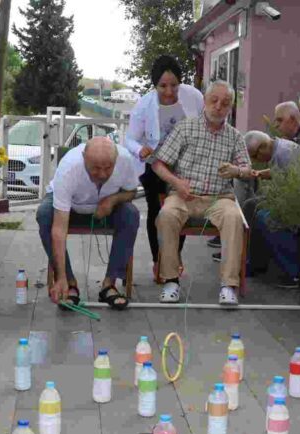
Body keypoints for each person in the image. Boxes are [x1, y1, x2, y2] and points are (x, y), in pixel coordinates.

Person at [152, 80, 251, 305]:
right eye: (214, 101)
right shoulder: (186, 128)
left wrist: (236, 170)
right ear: (204, 102)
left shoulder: (235, 136)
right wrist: (176, 182)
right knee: (166, 215)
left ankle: (228, 286)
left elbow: (247, 169)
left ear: (231, 107)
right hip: (184, 195)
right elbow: (159, 164)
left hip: (218, 198)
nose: (218, 107)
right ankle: (171, 281)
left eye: (225, 103)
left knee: (234, 217)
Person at [124, 55, 204, 284]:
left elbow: (203, 127)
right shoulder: (144, 105)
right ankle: (159, 260)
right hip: (155, 164)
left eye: (174, 85)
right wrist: (140, 150)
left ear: (181, 82)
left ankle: (174, 257)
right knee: (156, 210)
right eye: (163, 86)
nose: (169, 91)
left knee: (179, 210)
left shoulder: (194, 97)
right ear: (154, 85)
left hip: (185, 165)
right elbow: (130, 138)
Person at [36, 137, 140, 311]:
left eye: (108, 168)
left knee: (131, 214)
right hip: (73, 208)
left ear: (115, 159)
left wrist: (113, 200)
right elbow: (59, 228)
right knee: (44, 214)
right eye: (96, 169)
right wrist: (59, 276)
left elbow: (131, 191)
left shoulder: (125, 159)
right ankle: (68, 283)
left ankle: (109, 284)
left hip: (105, 209)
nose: (102, 174)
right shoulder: (69, 166)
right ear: (84, 157)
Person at [213, 131, 300, 289]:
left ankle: (293, 273)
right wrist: (258, 174)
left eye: (254, 156)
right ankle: (253, 262)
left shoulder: (285, 154)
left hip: (297, 203)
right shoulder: (277, 149)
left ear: (263, 148)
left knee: (264, 216)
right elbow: (279, 173)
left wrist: (272, 200)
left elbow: (298, 189)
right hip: (286, 197)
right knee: (250, 206)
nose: (255, 161)